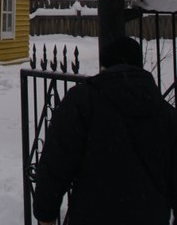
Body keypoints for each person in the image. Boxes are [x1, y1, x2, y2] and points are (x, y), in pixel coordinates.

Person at [33, 36, 177, 225]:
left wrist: (46, 212)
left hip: (92, 215)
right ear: (139, 66)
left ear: (104, 66)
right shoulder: (166, 114)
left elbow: (56, 161)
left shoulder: (82, 102)